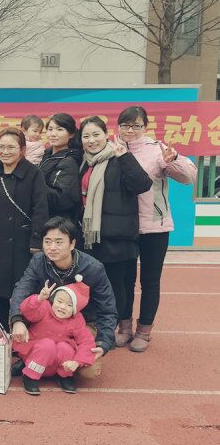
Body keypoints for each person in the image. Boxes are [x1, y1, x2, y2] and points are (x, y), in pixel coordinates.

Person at [116, 106, 197, 351]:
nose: (130, 130)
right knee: (124, 281)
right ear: (118, 126)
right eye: (125, 125)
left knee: (150, 282)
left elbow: (189, 177)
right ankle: (124, 327)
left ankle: (144, 330)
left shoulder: (157, 149)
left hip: (154, 227)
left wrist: (174, 160)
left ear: (145, 127)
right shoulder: (111, 148)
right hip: (123, 228)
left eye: (136, 125)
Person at [9, 217, 119, 382]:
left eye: (59, 242)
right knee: (22, 312)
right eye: (48, 242)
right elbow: (21, 290)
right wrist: (17, 319)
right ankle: (32, 359)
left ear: (72, 244)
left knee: (89, 371)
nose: (52, 247)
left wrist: (103, 343)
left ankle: (53, 362)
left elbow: (108, 310)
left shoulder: (93, 269)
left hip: (79, 324)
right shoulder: (38, 261)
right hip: (46, 321)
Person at [79, 116, 152, 341]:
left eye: (96, 134)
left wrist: (125, 157)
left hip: (116, 237)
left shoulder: (118, 157)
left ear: (106, 134)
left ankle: (112, 329)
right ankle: (98, 328)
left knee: (115, 286)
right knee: (91, 285)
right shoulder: (84, 161)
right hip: (91, 236)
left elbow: (142, 184)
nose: (91, 140)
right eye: (86, 136)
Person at [0, 127, 49, 328]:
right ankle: (2, 331)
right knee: (0, 290)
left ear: (22, 149)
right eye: (1, 147)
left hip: (23, 243)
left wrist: (36, 240)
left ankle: (26, 331)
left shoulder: (33, 173)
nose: (5, 152)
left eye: (11, 147)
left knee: (25, 288)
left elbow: (40, 209)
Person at [14, 278, 96, 395]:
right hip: (36, 355)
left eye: (69, 305)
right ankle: (30, 376)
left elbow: (86, 341)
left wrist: (77, 362)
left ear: (76, 309)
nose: (62, 307)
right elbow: (27, 311)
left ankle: (64, 376)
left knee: (65, 347)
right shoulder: (45, 307)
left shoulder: (77, 320)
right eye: (59, 301)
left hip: (56, 362)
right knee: (47, 345)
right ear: (53, 299)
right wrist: (39, 299)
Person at [38, 113, 83, 227]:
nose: (53, 134)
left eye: (59, 129)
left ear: (71, 134)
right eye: (50, 129)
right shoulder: (48, 154)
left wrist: (32, 183)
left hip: (59, 224)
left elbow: (60, 199)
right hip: (46, 219)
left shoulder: (69, 161)